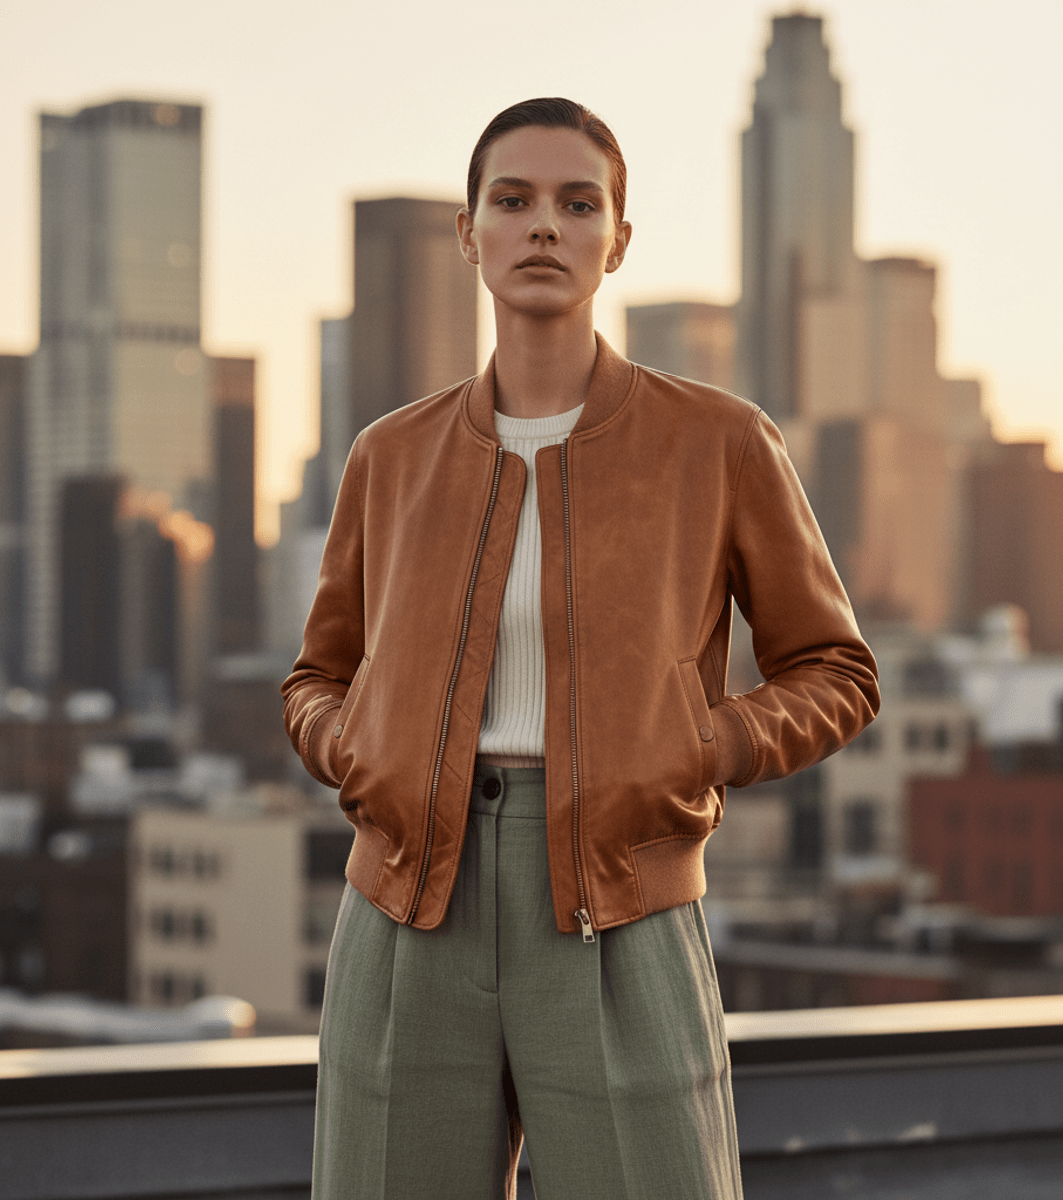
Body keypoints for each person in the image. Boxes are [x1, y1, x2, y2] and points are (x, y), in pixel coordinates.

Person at [283, 96, 879, 1200]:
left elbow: (837, 674)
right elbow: (316, 675)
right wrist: (351, 741)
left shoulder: (718, 441)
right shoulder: (392, 455)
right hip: (409, 913)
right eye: (512, 201)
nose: (543, 226)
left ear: (619, 238)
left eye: (576, 202)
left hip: (622, 911)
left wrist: (696, 745)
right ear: (469, 234)